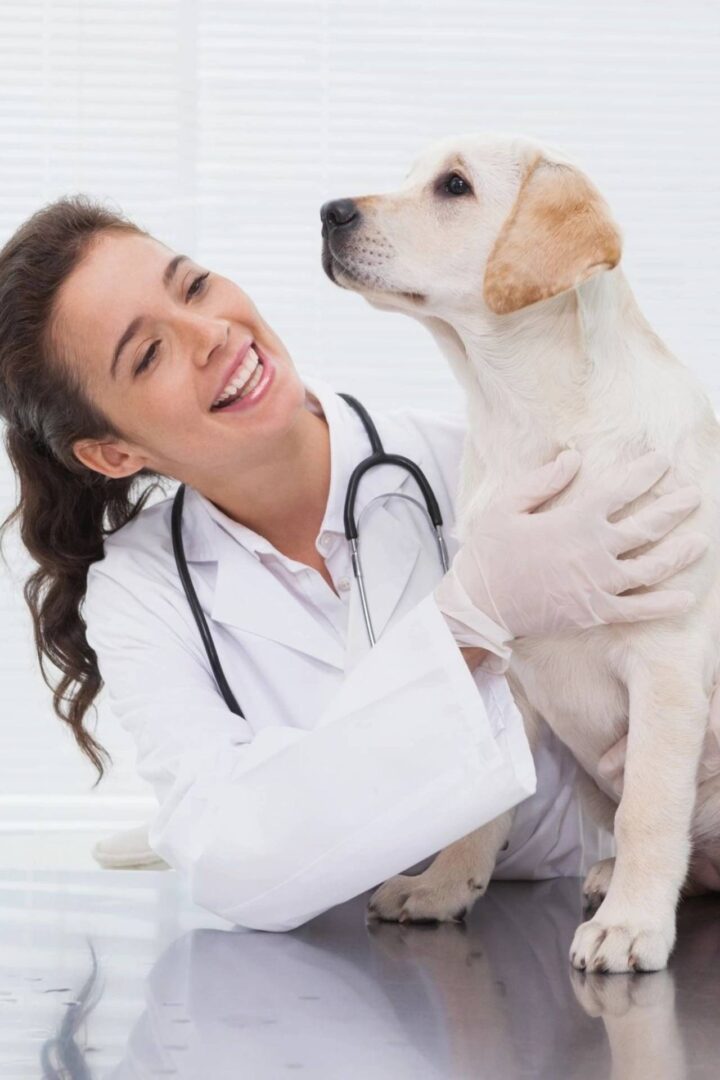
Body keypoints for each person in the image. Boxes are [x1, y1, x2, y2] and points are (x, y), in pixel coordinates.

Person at [0, 196, 708, 931]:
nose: (210, 333)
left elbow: (685, 654)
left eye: (195, 285)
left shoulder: (487, 466)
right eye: (148, 355)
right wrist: (468, 618)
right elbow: (229, 858)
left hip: (619, 918)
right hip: (398, 974)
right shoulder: (142, 592)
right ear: (115, 454)